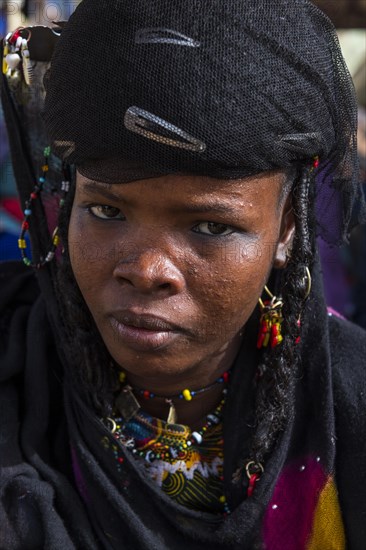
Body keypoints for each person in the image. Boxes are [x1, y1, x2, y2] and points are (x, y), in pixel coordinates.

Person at [1, 1, 366, 548]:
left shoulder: (350, 407)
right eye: (106, 211)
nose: (147, 271)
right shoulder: (14, 368)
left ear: (288, 227)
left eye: (210, 227)